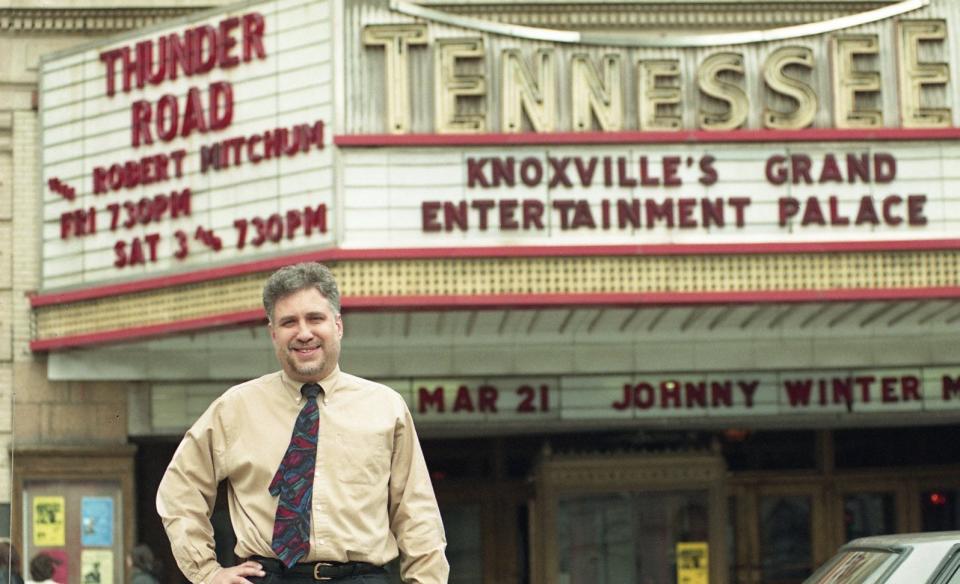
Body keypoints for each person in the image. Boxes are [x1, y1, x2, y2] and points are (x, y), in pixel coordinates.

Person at [158, 262, 448, 584]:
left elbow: (417, 514)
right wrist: (206, 572)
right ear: (273, 333)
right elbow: (179, 490)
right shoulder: (234, 409)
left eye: (315, 318)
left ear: (338, 325)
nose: (304, 333)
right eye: (288, 322)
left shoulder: (385, 407)